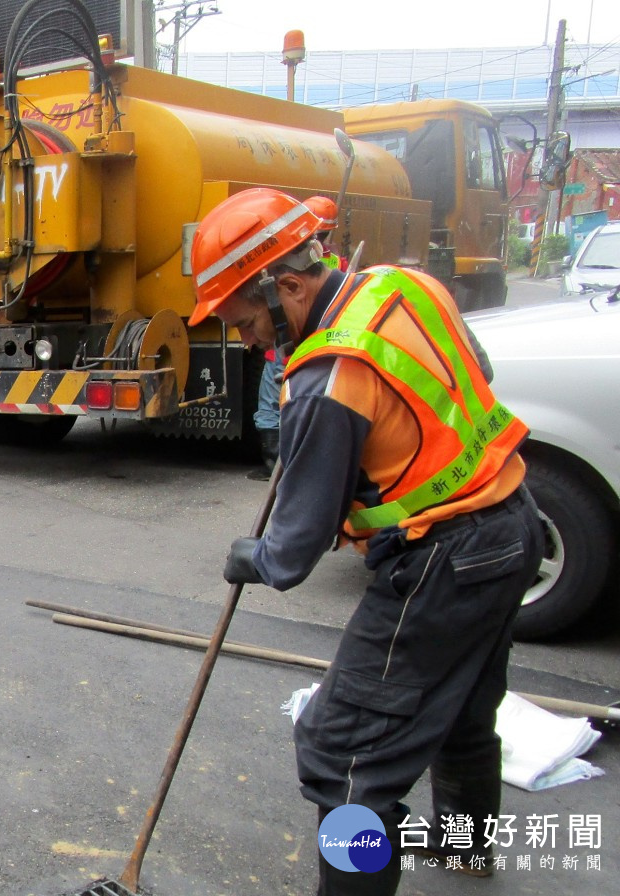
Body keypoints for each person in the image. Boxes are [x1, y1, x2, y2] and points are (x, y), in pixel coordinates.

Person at [187, 188, 542, 895]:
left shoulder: (328, 378)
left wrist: (248, 556)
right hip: (514, 523)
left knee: (341, 751)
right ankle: (469, 845)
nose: (248, 340)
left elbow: (290, 553)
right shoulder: (405, 284)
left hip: (444, 560)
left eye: (247, 320)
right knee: (465, 702)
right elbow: (477, 371)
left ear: (286, 284)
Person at [247, 195, 346, 481]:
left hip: (286, 348)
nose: (248, 338)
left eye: (249, 324)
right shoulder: (332, 260)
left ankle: (275, 463)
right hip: (309, 341)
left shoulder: (286, 258)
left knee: (271, 401)